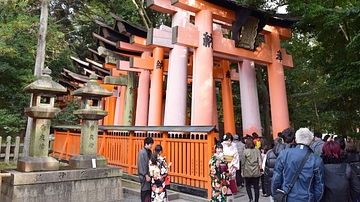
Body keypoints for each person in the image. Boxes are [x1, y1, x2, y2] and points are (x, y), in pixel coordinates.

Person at [272, 128, 324, 202]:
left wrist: (275, 195)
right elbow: (319, 185)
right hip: (307, 198)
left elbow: (276, 178)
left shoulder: (284, 154)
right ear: (311, 141)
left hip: (287, 197)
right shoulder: (316, 159)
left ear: (296, 139)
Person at [264, 128, 296, 201]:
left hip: (275, 190)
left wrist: (268, 190)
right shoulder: (298, 154)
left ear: (282, 140)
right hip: (293, 189)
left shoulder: (270, 154)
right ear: (293, 140)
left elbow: (267, 173)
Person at [241, 138, 262, 202]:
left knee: (248, 185)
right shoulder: (257, 150)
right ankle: (256, 200)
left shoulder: (245, 151)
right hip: (256, 171)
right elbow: (260, 161)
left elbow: (243, 163)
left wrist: (242, 171)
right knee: (256, 186)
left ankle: (250, 198)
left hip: (247, 171)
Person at [222, 132, 239, 202]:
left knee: (231, 182)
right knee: (224, 181)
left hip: (231, 166)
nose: (228, 142)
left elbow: (236, 158)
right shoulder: (223, 147)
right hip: (224, 166)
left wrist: (230, 165)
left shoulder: (234, 148)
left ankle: (231, 198)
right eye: (227, 140)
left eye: (229, 140)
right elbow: (221, 156)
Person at [138, 137, 154, 202]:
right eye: (150, 144)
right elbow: (141, 165)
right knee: (145, 190)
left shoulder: (149, 152)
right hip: (145, 176)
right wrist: (146, 175)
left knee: (149, 191)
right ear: (146, 144)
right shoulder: (141, 153)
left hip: (150, 174)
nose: (151, 146)